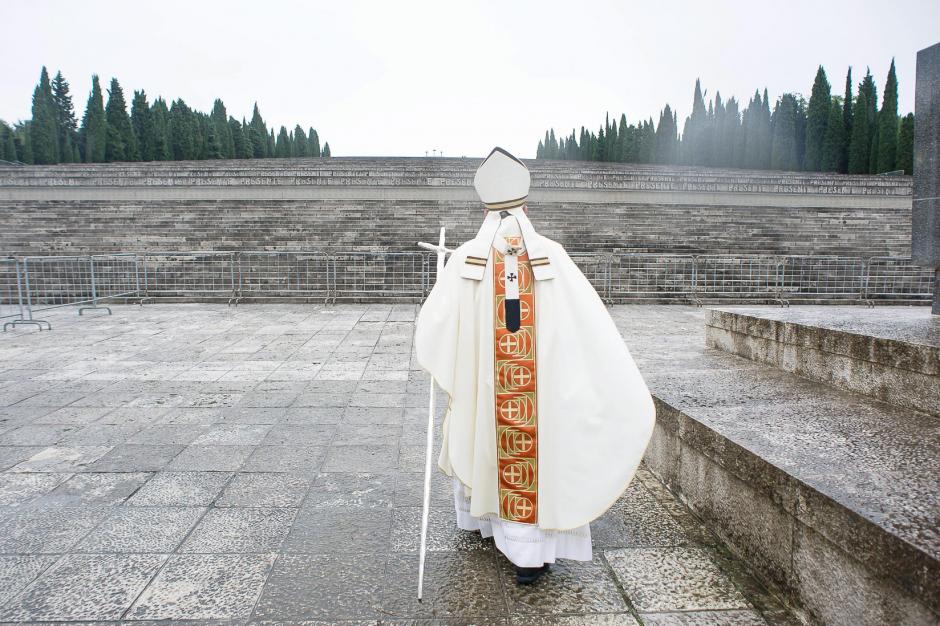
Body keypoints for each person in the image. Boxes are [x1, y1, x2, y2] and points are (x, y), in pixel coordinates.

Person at [415, 147, 655, 584]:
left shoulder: (468, 258)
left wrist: (444, 297)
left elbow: (435, 327)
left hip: (490, 391)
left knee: (485, 438)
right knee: (539, 453)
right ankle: (534, 555)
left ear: (485, 207)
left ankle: (490, 525)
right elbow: (587, 326)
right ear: (526, 205)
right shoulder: (552, 256)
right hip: (538, 396)